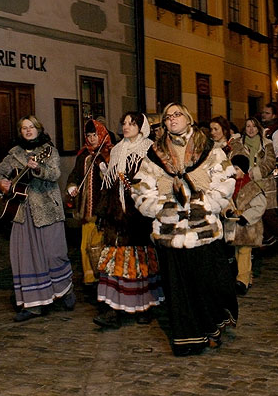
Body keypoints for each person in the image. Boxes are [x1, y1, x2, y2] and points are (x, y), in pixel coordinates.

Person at [132, 103, 237, 356]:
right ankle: (188, 339)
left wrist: (204, 204)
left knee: (207, 284)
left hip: (203, 231)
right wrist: (162, 207)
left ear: (188, 118)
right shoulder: (155, 154)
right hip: (171, 232)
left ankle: (211, 329)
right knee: (178, 290)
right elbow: (140, 188)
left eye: (177, 114)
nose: (172, 120)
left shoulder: (207, 148)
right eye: (168, 117)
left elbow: (225, 180)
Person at [0, 116, 75, 322]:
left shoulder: (49, 151)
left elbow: (54, 174)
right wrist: (1, 183)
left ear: (39, 129)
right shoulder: (14, 154)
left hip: (47, 209)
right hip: (22, 212)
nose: (28, 131)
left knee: (54, 253)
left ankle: (64, 289)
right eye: (24, 128)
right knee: (25, 257)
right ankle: (34, 304)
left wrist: (38, 169)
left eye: (31, 127)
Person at [92, 112, 163, 328]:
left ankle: (144, 306)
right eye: (124, 123)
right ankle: (112, 310)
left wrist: (137, 189)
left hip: (138, 214)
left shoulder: (150, 149)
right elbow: (109, 185)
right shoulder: (116, 150)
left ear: (142, 126)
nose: (126, 126)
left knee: (140, 262)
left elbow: (158, 179)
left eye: (132, 123)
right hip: (117, 214)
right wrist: (103, 212)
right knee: (114, 261)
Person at [66, 119, 112, 300]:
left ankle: (103, 277)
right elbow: (76, 174)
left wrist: (105, 169)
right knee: (85, 246)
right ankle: (89, 279)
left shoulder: (109, 152)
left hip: (103, 209)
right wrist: (72, 186)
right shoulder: (83, 155)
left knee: (99, 245)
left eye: (95, 135)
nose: (92, 139)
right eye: (89, 135)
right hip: (86, 210)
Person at [234, 117, 278, 246]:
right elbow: (235, 160)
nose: (251, 129)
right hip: (247, 185)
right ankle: (266, 241)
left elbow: (270, 162)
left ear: (258, 128)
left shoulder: (267, 144)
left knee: (269, 215)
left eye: (254, 126)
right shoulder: (238, 143)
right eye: (248, 126)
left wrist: (256, 172)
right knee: (255, 215)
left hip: (265, 184)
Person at [223, 154, 267, 295]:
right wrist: (227, 212)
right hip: (234, 226)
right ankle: (247, 277)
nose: (234, 171)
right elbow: (224, 203)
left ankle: (242, 280)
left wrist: (246, 217)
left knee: (244, 252)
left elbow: (260, 206)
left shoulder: (252, 187)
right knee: (238, 253)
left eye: (237, 168)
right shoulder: (229, 186)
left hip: (248, 227)